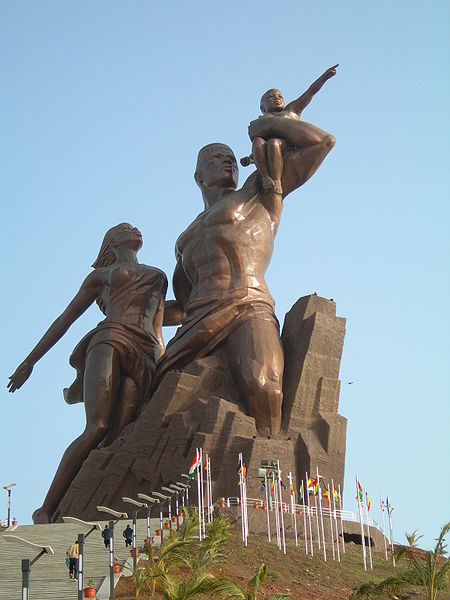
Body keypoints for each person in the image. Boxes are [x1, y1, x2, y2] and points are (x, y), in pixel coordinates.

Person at [155, 117, 335, 435]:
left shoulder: (259, 191)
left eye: (230, 157)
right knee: (154, 401)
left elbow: (322, 143)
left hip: (248, 304)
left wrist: (267, 124)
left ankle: (267, 476)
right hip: (196, 323)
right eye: (216, 156)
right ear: (198, 176)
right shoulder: (184, 240)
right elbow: (181, 305)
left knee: (265, 385)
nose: (227, 160)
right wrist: (134, 316)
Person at [8, 223, 183, 523]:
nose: (136, 229)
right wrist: (30, 361)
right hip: (110, 338)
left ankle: (93, 499)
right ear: (112, 241)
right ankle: (45, 508)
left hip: (146, 353)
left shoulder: (158, 276)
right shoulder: (100, 277)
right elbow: (65, 319)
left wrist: (162, 367)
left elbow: (159, 323)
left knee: (117, 436)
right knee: (97, 427)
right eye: (127, 228)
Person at [241, 64, 338, 193]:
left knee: (274, 143)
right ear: (263, 108)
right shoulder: (259, 123)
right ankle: (265, 178)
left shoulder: (291, 111)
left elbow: (310, 92)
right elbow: (259, 148)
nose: (276, 98)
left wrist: (324, 77)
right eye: (271, 97)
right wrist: (250, 159)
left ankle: (276, 181)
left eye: (280, 97)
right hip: (268, 152)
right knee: (259, 141)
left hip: (287, 147)